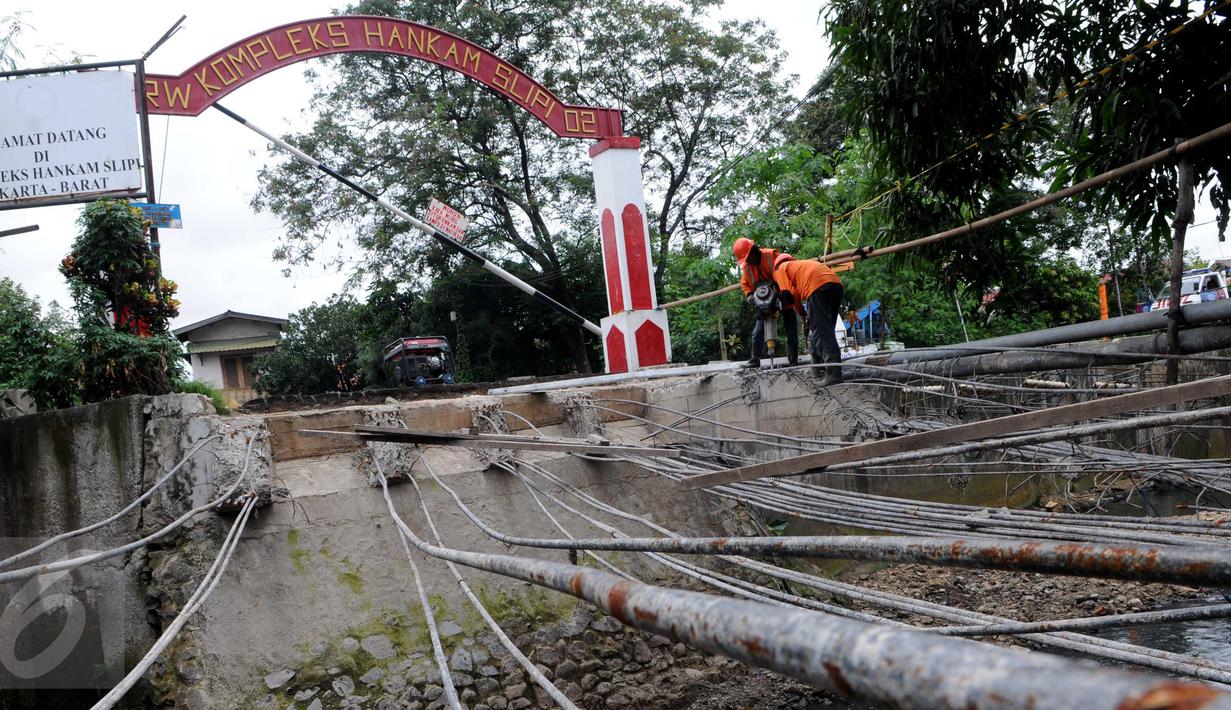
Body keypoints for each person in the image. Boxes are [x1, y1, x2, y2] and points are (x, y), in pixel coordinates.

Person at [772, 256, 844, 385]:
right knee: (824, 329)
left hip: (818, 287)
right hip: (836, 284)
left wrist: (802, 313)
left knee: (823, 332)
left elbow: (790, 294)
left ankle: (834, 373)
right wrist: (807, 317)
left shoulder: (781, 268)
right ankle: (818, 368)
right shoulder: (801, 266)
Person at [733, 237, 798, 367]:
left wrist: (783, 292)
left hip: (783, 296)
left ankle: (793, 361)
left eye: (748, 257)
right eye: (746, 259)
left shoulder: (771, 256)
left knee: (791, 329)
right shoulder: (748, 268)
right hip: (765, 301)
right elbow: (745, 284)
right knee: (757, 332)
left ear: (754, 250)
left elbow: (787, 269)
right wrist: (750, 295)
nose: (748, 261)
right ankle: (755, 359)